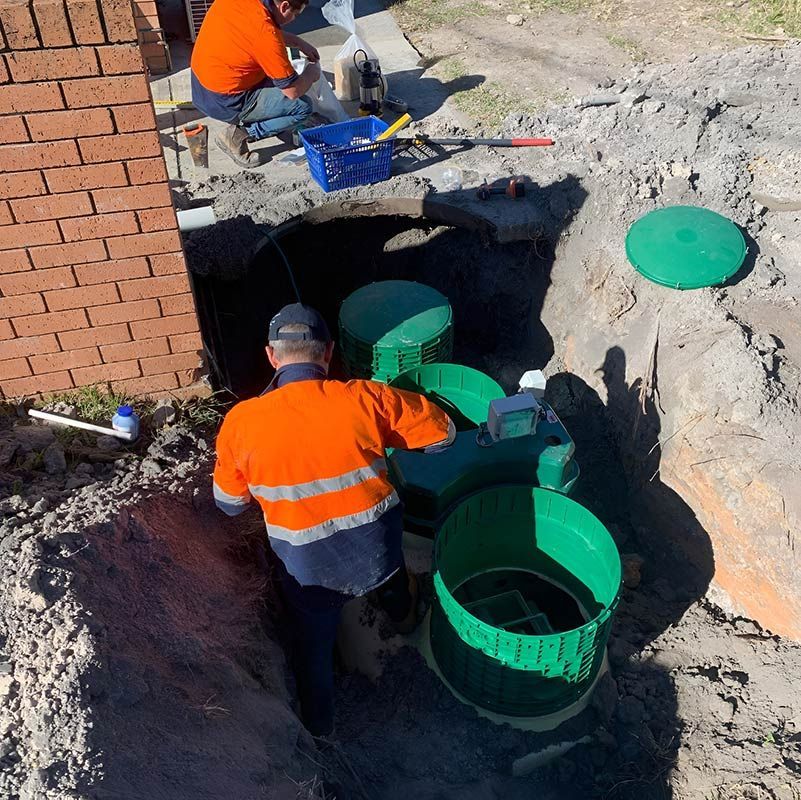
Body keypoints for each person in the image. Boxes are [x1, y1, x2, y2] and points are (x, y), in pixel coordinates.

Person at [212, 303, 455, 735]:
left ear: (272, 357)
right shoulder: (365, 398)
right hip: (377, 554)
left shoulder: (241, 424)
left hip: (310, 575)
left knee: (313, 648)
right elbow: (443, 435)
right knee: (394, 580)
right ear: (328, 353)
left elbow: (229, 504)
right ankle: (404, 616)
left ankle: (320, 732)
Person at [190, 0, 322, 167]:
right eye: (295, 14)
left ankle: (276, 123)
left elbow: (251, 31)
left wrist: (296, 41)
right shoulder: (265, 34)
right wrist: (311, 74)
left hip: (202, 82)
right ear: (285, 6)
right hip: (226, 100)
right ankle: (238, 135)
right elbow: (292, 90)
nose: (294, 19)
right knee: (302, 107)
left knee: (280, 74)